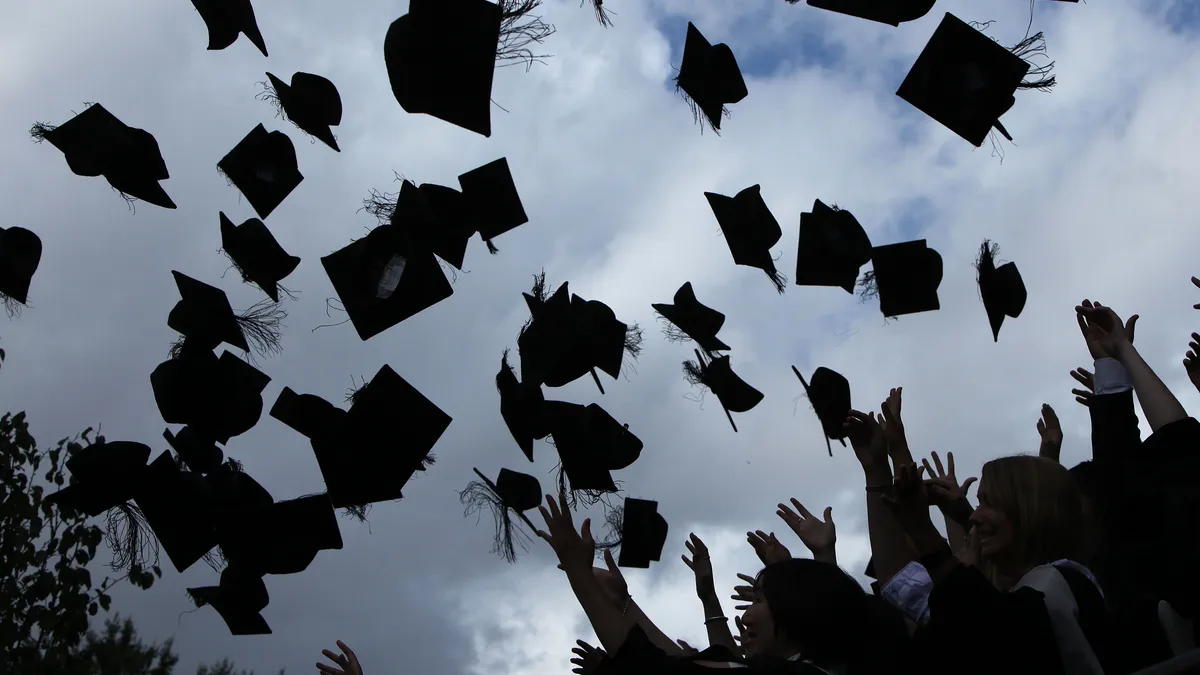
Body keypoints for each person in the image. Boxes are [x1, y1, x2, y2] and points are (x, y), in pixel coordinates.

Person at [881, 456, 1110, 675]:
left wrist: (923, 533)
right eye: (978, 503)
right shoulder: (1019, 592)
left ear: (1027, 508)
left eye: (988, 503)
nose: (974, 517)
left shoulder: (1062, 585)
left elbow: (988, 632)